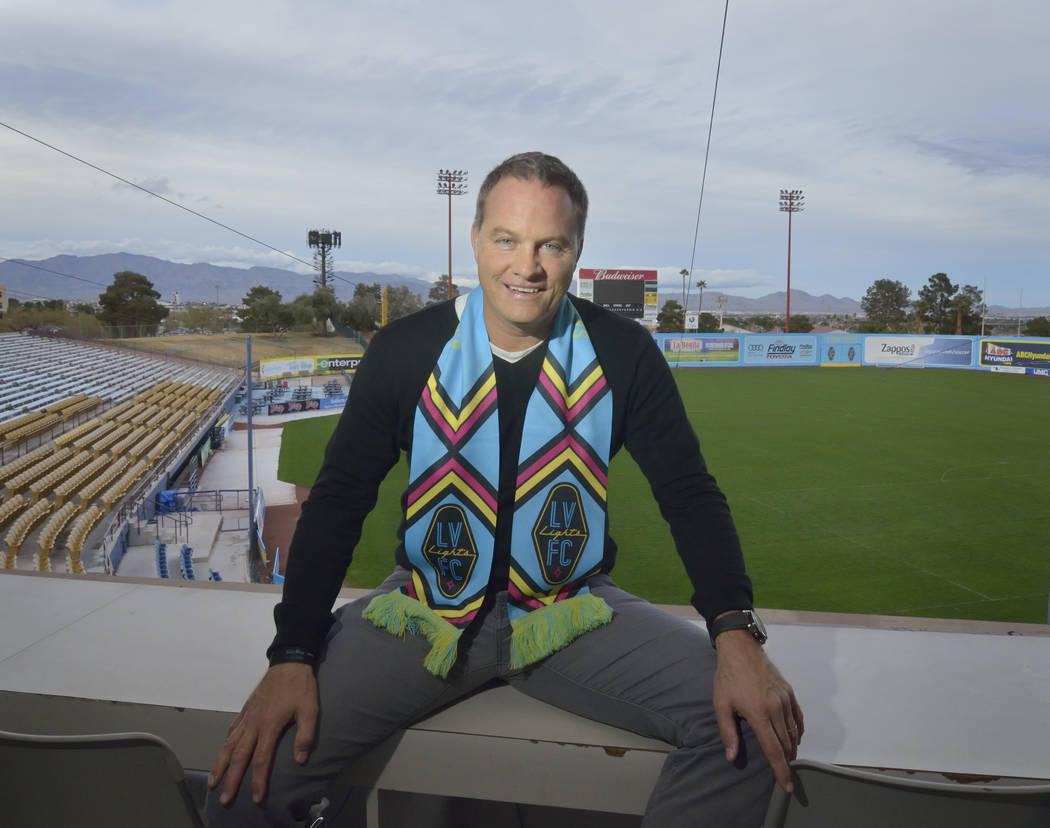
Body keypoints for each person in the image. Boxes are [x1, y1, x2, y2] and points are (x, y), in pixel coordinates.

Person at [207, 151, 803, 827]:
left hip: (567, 608)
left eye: (552, 244)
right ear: (475, 241)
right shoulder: (406, 348)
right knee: (245, 783)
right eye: (507, 240)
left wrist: (735, 635)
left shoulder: (623, 350)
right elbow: (340, 501)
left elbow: (689, 495)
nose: (528, 266)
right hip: (425, 608)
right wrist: (293, 653)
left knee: (753, 723)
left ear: (577, 250)